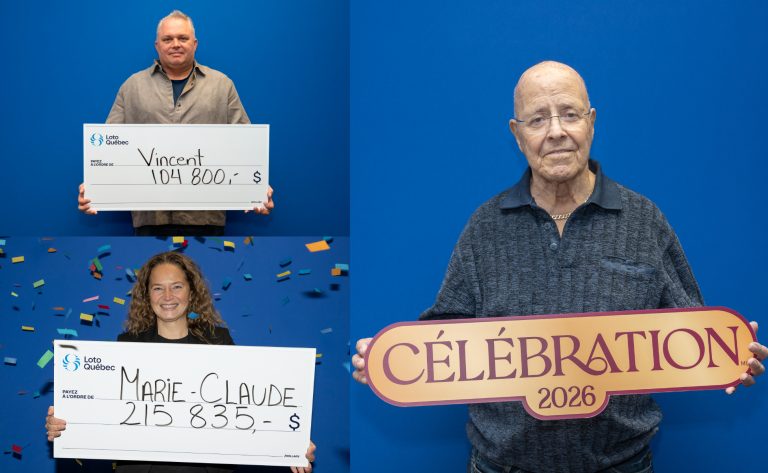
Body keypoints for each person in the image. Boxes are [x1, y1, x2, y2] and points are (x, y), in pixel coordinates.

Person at [352, 61, 767, 472]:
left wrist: (731, 357)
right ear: (517, 135)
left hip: (622, 464)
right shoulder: (484, 227)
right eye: (537, 119)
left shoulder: (644, 220)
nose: (556, 132)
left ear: (591, 122)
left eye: (569, 114)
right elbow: (447, 334)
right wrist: (391, 361)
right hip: (502, 466)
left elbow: (691, 330)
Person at [46, 251, 315, 473]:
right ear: (146, 295)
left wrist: (290, 444)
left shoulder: (219, 342)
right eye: (158, 288)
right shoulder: (127, 345)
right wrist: (65, 425)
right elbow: (103, 410)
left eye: (177, 286)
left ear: (191, 291)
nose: (168, 297)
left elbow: (249, 406)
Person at [77, 10, 274, 236]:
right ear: (157, 45)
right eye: (167, 39)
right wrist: (95, 186)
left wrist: (257, 188)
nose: (175, 44)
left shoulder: (222, 85)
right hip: (149, 217)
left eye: (183, 38)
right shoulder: (132, 87)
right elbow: (110, 146)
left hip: (206, 217)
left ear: (195, 44)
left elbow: (244, 144)